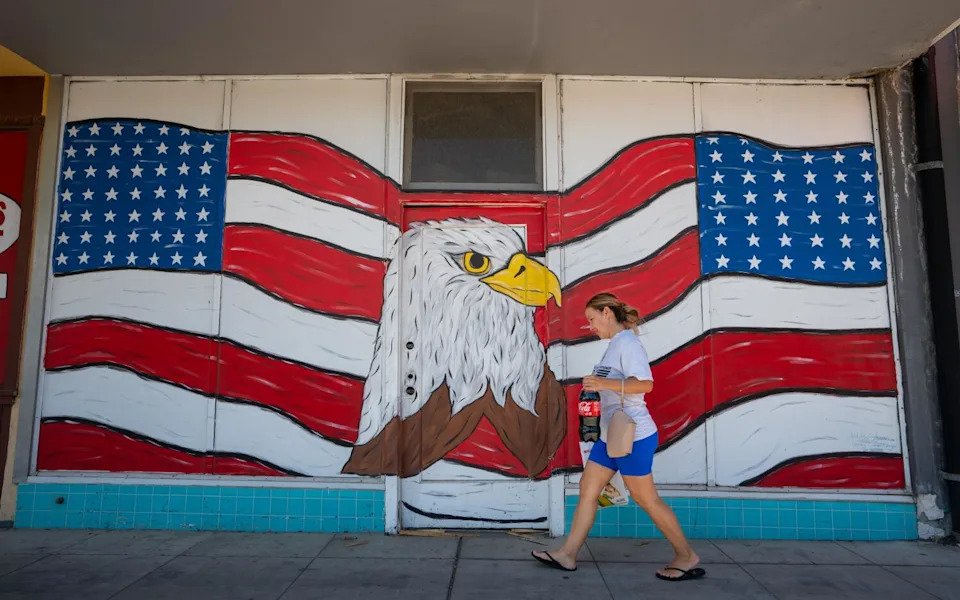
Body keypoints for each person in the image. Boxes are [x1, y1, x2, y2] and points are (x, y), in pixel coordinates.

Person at [532, 292, 705, 582]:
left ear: (607, 313)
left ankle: (686, 555)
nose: (590, 327)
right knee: (588, 487)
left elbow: (646, 384)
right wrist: (598, 387)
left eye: (592, 319)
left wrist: (603, 382)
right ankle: (568, 554)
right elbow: (616, 384)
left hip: (632, 435)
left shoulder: (628, 343)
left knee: (645, 497)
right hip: (610, 435)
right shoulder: (614, 346)